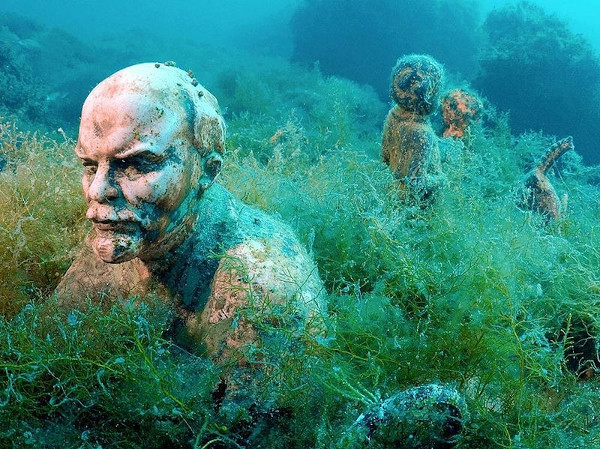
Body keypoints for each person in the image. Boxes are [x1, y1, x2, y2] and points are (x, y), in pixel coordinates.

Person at [56, 62, 325, 361]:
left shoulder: (264, 289)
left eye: (136, 164)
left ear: (207, 170)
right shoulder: (131, 229)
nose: (97, 190)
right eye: (90, 166)